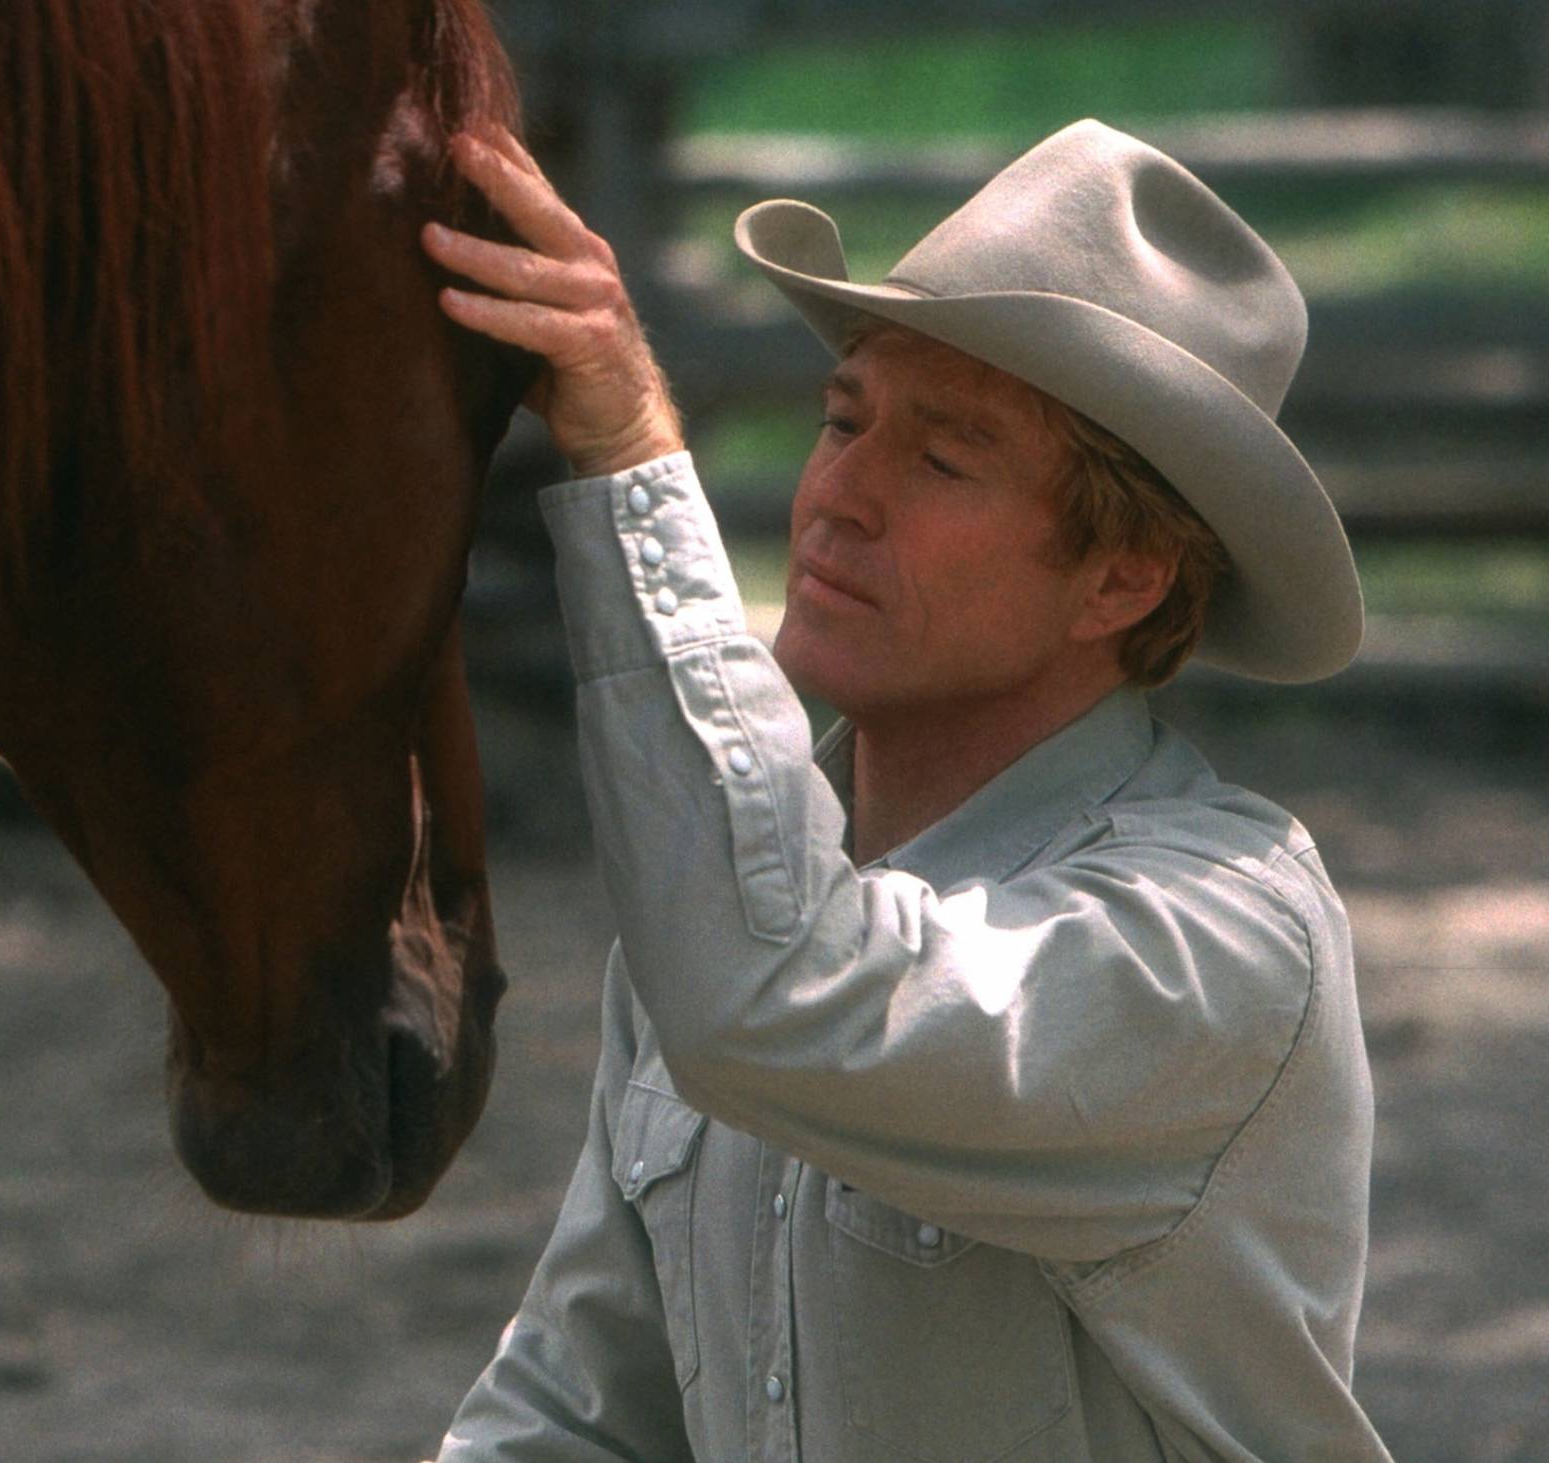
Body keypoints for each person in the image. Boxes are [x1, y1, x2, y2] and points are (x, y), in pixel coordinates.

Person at [415, 119, 1391, 1459]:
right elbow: (584, 1413)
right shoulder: (718, 902)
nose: (840, 497)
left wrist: (635, 453)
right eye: (843, 419)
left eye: (944, 459)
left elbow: (777, 993)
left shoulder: (1218, 941)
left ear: (1123, 577)